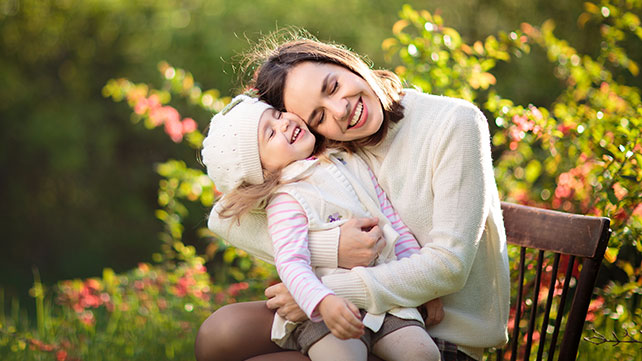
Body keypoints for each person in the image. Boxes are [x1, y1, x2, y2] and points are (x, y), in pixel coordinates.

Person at [195, 35, 509, 361]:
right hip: (349, 309)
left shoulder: (452, 123)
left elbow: (449, 266)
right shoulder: (327, 148)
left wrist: (325, 293)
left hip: (438, 332)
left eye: (332, 86)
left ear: (343, 61)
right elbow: (226, 218)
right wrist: (334, 247)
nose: (341, 109)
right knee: (220, 332)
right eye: (317, 117)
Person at [200, 93, 440, 361]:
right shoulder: (286, 200)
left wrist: (425, 287)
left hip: (386, 297)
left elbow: (392, 222)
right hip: (325, 309)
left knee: (423, 354)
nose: (284, 124)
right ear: (261, 171)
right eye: (270, 133)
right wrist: (322, 301)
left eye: (278, 115)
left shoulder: (348, 161)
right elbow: (291, 262)